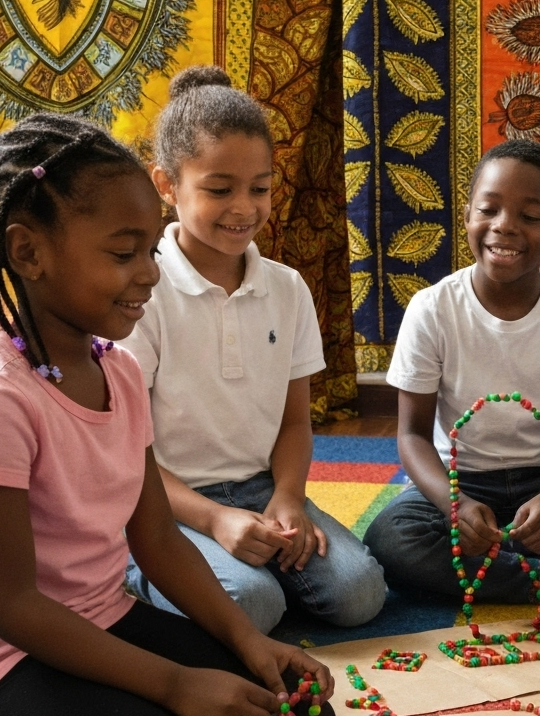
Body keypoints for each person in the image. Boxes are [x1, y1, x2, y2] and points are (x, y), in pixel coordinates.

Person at [0, 115, 336, 716]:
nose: (151, 274)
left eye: (151, 250)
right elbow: (11, 608)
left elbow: (155, 537)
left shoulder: (118, 369)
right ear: (28, 252)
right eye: (124, 254)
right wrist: (174, 686)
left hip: (98, 614)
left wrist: (249, 642)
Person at [121, 66, 385, 633]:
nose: (244, 208)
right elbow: (126, 453)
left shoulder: (287, 289)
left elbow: (294, 422)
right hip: (162, 501)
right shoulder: (143, 292)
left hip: (262, 489)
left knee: (360, 594)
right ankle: (134, 568)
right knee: (252, 605)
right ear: (166, 184)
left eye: (259, 188)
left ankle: (247, 566)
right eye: (219, 190)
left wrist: (288, 498)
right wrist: (215, 520)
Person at [363, 140, 540, 607]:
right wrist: (455, 507)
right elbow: (411, 436)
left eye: (530, 216)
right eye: (489, 209)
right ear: (467, 216)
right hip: (458, 481)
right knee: (391, 539)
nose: (505, 226)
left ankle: (486, 563)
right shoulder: (432, 309)